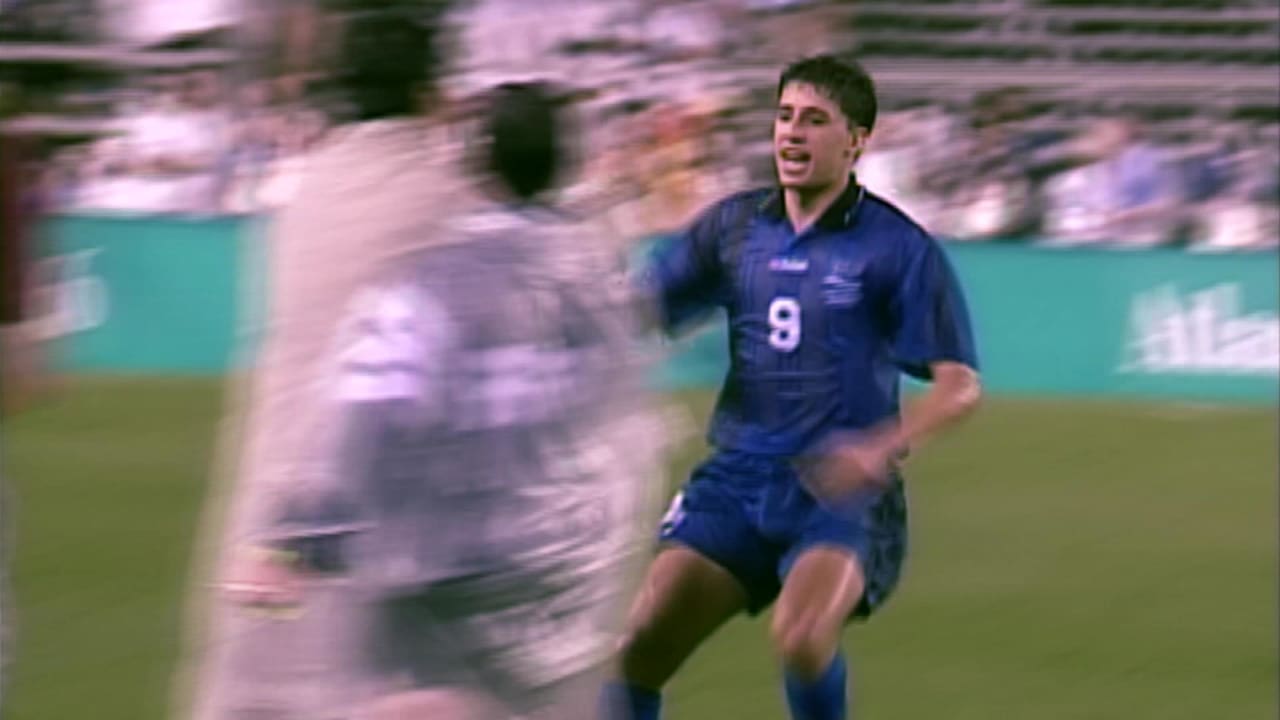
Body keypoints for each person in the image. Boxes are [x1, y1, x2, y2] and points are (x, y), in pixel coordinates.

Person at [602, 55, 983, 720]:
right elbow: (639, 312)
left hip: (840, 490)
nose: (792, 134)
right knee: (639, 647)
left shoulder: (896, 245)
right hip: (738, 476)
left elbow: (959, 386)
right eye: (784, 117)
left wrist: (878, 448)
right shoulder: (734, 227)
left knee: (802, 638)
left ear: (856, 140)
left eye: (813, 120)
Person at [173, 4, 482, 719]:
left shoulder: (305, 189)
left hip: (266, 511)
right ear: (430, 92)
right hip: (367, 522)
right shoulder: (447, 197)